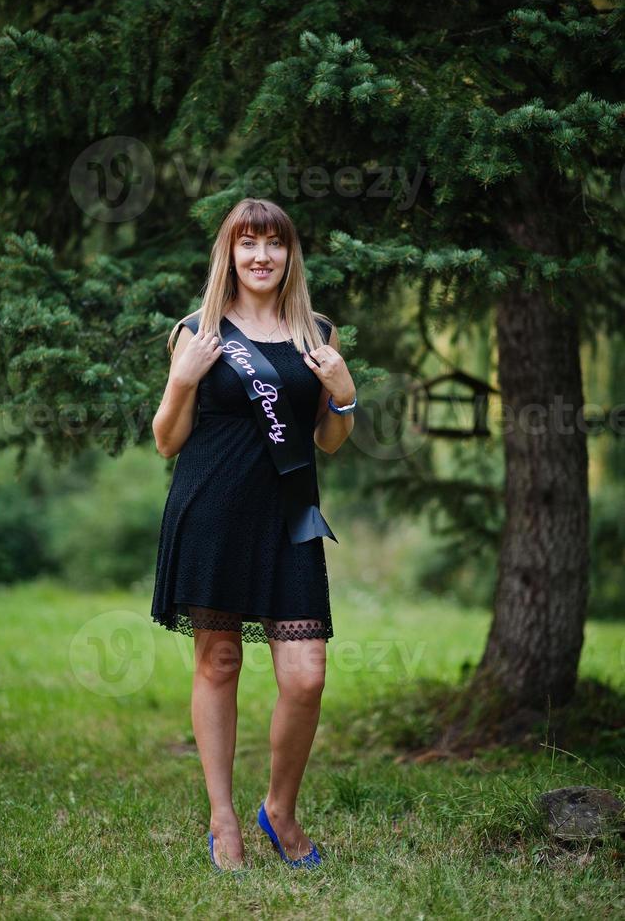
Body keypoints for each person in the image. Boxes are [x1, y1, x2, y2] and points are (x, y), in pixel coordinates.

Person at [150, 197, 357, 871]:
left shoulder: (317, 332)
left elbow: (329, 441)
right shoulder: (198, 331)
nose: (261, 256)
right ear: (230, 254)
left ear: (290, 254)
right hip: (212, 509)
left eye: (273, 243)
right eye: (248, 243)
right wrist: (181, 382)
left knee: (305, 676)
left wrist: (345, 394)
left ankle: (279, 809)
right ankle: (223, 819)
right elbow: (165, 441)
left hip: (289, 517)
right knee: (219, 662)